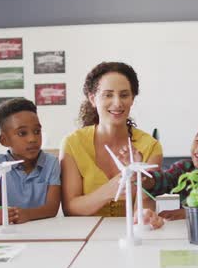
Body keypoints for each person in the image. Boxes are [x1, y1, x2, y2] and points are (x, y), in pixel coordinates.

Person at [61, 61, 163, 228]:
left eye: (124, 95)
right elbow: (70, 208)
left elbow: (144, 201)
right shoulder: (73, 143)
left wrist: (144, 214)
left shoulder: (150, 146)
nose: (117, 103)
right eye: (108, 95)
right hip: (84, 236)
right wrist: (109, 190)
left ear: (132, 99)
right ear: (93, 99)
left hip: (129, 234)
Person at [0, 98, 60, 224]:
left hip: (44, 230)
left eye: (37, 131)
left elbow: (52, 208)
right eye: (22, 133)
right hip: (11, 233)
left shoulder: (51, 163)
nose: (32, 139)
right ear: (4, 140)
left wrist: (27, 214)